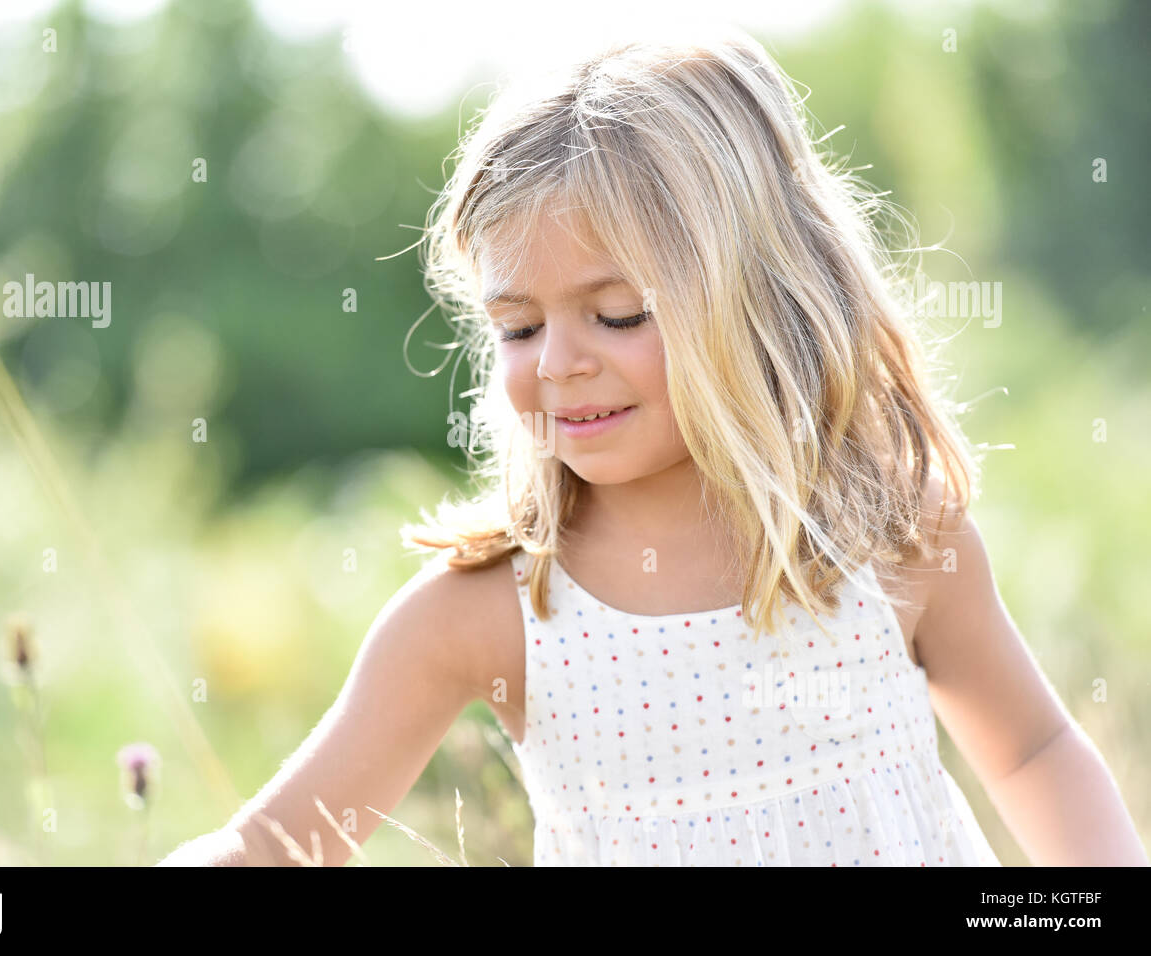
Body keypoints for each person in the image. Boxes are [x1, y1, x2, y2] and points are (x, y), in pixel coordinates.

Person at [159, 30, 1147, 866]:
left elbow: (1032, 748)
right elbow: (273, 847)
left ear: (755, 298)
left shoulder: (890, 537)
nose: (559, 363)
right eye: (518, 327)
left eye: (617, 312)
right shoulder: (489, 613)